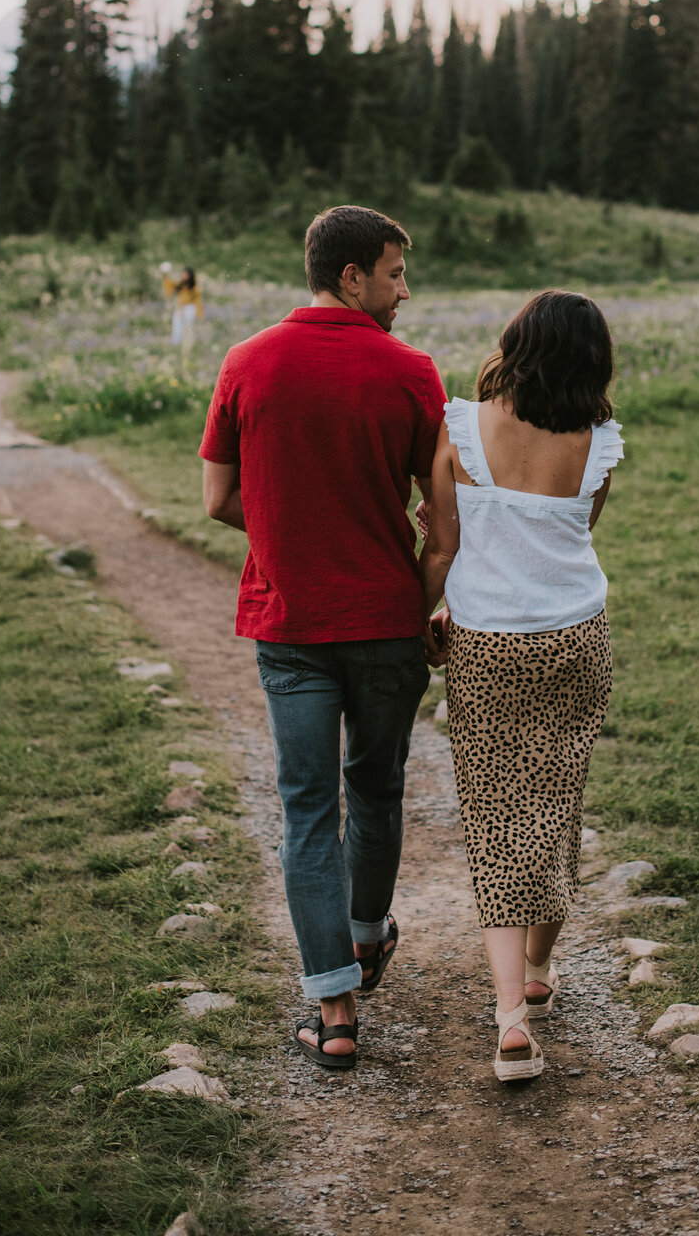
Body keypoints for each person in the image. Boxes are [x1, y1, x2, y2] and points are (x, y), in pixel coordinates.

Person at [199, 204, 446, 1071]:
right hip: (387, 626)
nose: (403, 290)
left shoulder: (246, 363)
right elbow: (440, 514)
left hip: (292, 626)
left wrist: (289, 538)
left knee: (307, 811)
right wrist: (427, 595)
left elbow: (219, 500)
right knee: (375, 791)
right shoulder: (413, 373)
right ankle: (370, 936)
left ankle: (335, 1011)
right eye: (394, 273)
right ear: (351, 277)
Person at [420, 290, 622, 1083]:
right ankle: (539, 971)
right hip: (576, 634)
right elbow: (578, 530)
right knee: (557, 796)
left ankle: (511, 1018)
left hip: (488, 642)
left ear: (515, 342)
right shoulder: (599, 441)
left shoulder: (462, 426)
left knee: (499, 817)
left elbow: (441, 545)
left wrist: (421, 615)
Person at [161, 263, 203, 360]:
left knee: (187, 327)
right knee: (177, 325)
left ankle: (188, 344)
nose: (184, 276)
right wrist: (165, 275)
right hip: (180, 308)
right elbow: (169, 285)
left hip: (189, 308)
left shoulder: (194, 287)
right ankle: (177, 343)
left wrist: (199, 312)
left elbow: (197, 300)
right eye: (183, 274)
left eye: (186, 274)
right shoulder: (181, 284)